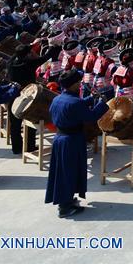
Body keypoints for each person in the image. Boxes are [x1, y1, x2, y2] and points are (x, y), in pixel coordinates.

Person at [45, 68, 108, 218]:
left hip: (60, 139)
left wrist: (90, 99)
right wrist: (101, 103)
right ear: (73, 85)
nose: (80, 84)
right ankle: (65, 207)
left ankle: (66, 199)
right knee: (69, 172)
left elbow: (75, 106)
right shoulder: (74, 103)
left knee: (64, 171)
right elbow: (91, 117)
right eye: (78, 82)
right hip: (71, 141)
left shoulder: (57, 98)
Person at [6, 45, 45, 154]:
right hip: (27, 96)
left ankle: (16, 148)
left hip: (13, 95)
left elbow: (16, 54)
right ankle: (30, 146)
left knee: (15, 124)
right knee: (31, 119)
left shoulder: (10, 63)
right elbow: (44, 58)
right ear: (27, 54)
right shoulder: (28, 64)